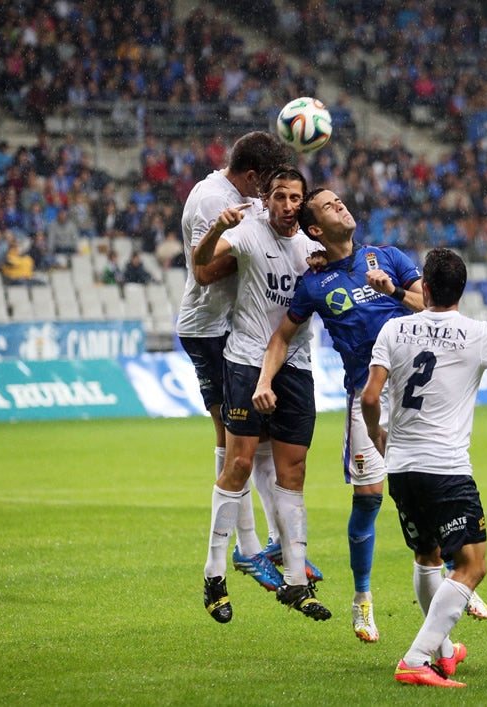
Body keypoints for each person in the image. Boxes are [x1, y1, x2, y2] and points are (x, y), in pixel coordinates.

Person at [253, 189, 487, 644]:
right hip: (367, 393)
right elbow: (282, 338)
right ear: (315, 230)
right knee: (369, 497)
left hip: (414, 393)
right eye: (328, 206)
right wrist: (265, 381)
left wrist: (395, 290)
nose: (341, 205)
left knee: (432, 483)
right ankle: (363, 601)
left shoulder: (387, 256)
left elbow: (434, 307)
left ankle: (454, 576)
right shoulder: (314, 283)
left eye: (340, 200)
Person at [361, 247, 487, 688]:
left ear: (426, 287)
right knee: (472, 566)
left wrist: (379, 437)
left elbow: (370, 397)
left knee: (427, 555)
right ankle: (417, 658)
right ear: (461, 290)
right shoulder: (478, 333)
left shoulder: (393, 329)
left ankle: (446, 651)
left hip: (402, 467)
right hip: (446, 469)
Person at [193, 166, 331, 624]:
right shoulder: (248, 232)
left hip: (297, 367)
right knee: (239, 464)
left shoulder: (314, 247)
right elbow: (201, 264)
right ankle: (214, 574)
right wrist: (217, 227)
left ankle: (296, 582)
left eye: (296, 198)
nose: (288, 206)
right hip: (247, 362)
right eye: (279, 197)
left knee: (293, 473)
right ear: (266, 199)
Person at [176, 131, 296, 596]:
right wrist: (255, 258)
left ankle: (270, 542)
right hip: (208, 328)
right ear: (251, 175)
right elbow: (204, 271)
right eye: (265, 184)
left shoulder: (243, 194)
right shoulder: (212, 200)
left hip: (237, 328)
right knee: (234, 438)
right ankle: (245, 549)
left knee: (256, 436)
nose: (269, 194)